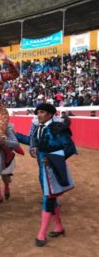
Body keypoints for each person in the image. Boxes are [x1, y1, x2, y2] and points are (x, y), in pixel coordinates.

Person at [27, 104, 77, 247]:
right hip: (44, 169)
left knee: (48, 198)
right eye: (38, 112)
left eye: (42, 112)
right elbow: (31, 142)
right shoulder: (38, 128)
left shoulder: (58, 129)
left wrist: (53, 158)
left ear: (50, 114)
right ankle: (59, 227)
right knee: (51, 197)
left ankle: (41, 235)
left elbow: (70, 148)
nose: (39, 115)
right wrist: (9, 138)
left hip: (53, 168)